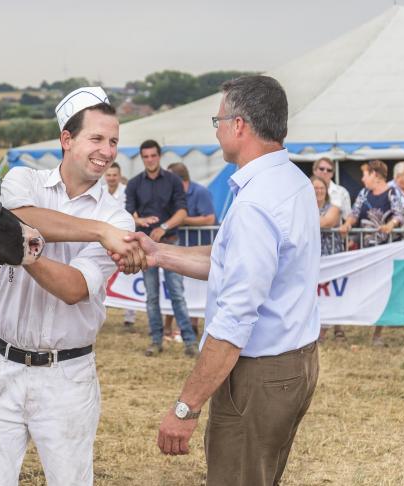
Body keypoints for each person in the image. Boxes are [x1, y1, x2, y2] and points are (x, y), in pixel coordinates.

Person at [112, 75, 319, 486]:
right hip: (293, 361)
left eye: (218, 120)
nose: (218, 128)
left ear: (239, 125)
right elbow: (230, 262)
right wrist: (159, 254)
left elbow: (236, 318)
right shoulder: (290, 181)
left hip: (258, 373)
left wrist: (185, 408)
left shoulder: (256, 203)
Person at [0, 87, 138, 486]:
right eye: (96, 138)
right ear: (66, 139)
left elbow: (75, 288)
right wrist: (98, 232)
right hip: (0, 367)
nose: (107, 151)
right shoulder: (23, 179)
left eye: (113, 141)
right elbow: (21, 217)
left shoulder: (119, 219)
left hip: (67, 376)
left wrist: (20, 244)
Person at [125, 139, 197, 357]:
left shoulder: (173, 181)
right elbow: (128, 213)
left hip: (170, 244)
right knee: (152, 296)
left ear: (159, 156)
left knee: (177, 293)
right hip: (146, 248)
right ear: (142, 158)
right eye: (145, 156)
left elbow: (182, 212)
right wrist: (141, 221)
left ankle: (189, 341)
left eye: (153, 155)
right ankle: (155, 340)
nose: (149, 160)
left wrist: (163, 227)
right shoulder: (134, 184)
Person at [339, 160, 404, 346]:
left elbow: (399, 214)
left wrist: (390, 225)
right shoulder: (364, 193)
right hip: (366, 250)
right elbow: (355, 212)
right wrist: (348, 224)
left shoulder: (392, 193)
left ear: (375, 174)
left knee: (383, 290)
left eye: (365, 174)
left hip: (386, 251)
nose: (362, 178)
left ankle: (378, 334)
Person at [163, 162, 216, 340]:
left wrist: (183, 220)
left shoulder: (200, 192)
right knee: (174, 288)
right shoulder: (171, 193)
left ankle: (192, 327)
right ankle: (168, 327)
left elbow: (209, 219)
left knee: (193, 290)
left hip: (197, 249)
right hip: (177, 246)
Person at [313, 175, 346, 342]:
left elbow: (328, 221)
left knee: (335, 292)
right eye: (315, 187)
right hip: (312, 256)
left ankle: (337, 328)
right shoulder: (304, 206)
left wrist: (308, 221)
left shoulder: (332, 206)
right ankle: (318, 329)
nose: (319, 191)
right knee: (317, 294)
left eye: (321, 188)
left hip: (332, 253)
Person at [104, 162, 137, 329]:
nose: (111, 178)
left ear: (119, 175)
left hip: (124, 239)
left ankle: (129, 317)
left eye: (114, 175)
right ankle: (101, 313)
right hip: (104, 239)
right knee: (103, 276)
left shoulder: (126, 191)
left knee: (126, 275)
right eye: (108, 175)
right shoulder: (100, 191)